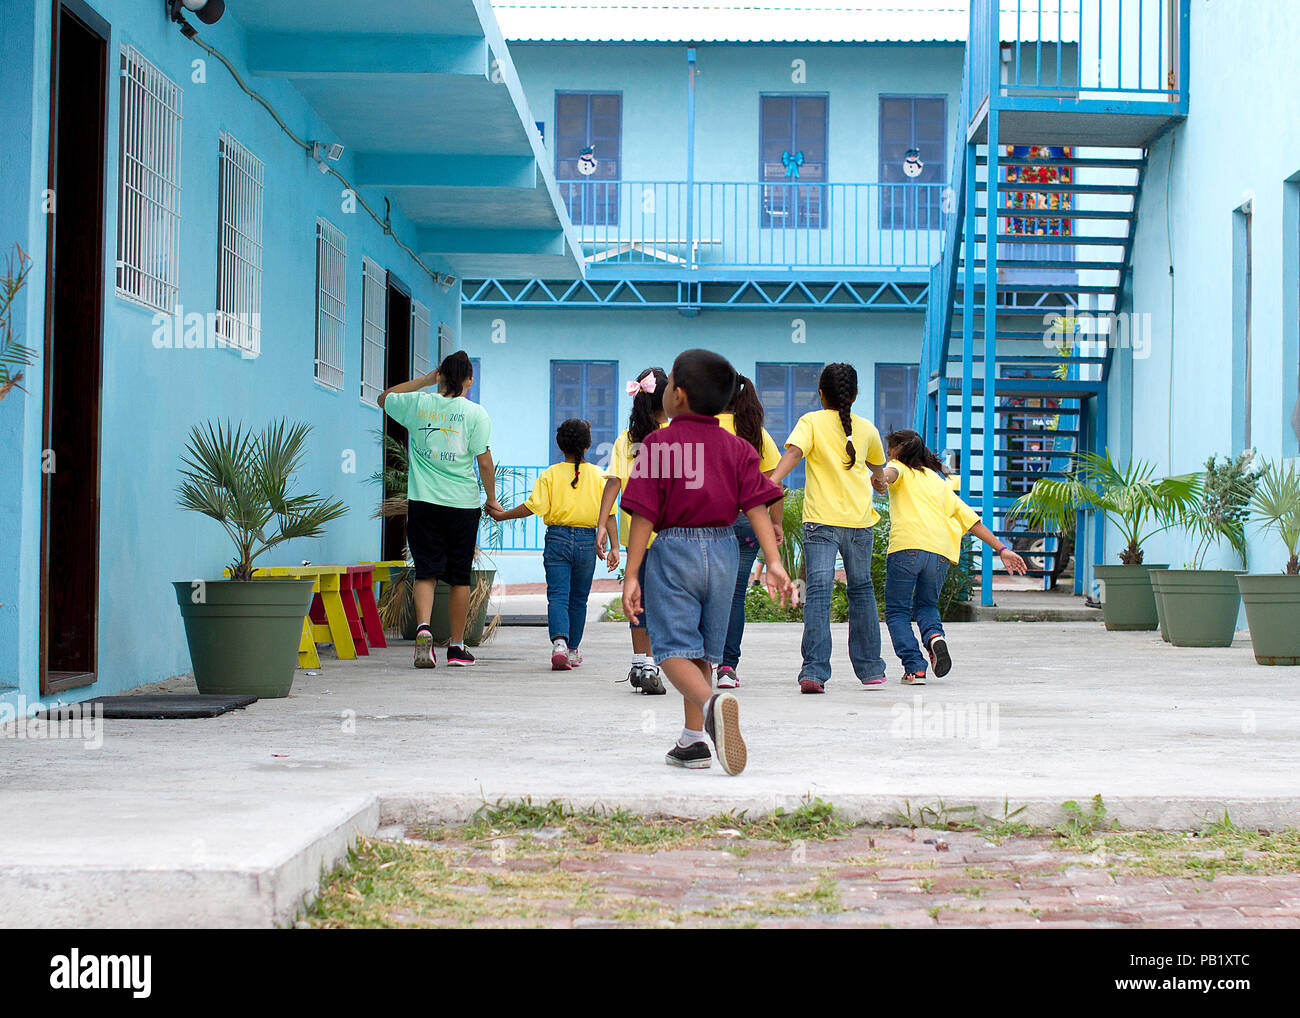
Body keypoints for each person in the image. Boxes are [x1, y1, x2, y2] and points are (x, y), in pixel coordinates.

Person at [622, 349, 793, 775]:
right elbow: (757, 504)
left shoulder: (657, 444)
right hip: (723, 549)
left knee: (670, 648)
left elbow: (643, 513)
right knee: (700, 648)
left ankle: (712, 703)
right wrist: (773, 561)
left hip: (675, 549)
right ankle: (693, 740)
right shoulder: (735, 447)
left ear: (677, 395)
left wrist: (631, 574)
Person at [874, 429, 1028, 684]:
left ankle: (915, 667)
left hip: (908, 546)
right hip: (941, 553)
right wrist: (1002, 549)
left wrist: (879, 478)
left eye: (889, 448)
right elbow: (970, 520)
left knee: (897, 611)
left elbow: (888, 476)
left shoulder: (897, 466)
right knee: (926, 605)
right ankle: (935, 637)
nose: (887, 453)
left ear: (898, 450)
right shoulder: (938, 481)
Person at [769, 363, 888, 693]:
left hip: (821, 521)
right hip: (860, 524)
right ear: (856, 395)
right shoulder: (866, 429)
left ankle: (814, 671)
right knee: (861, 591)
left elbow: (793, 453)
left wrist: (772, 481)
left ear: (821, 394)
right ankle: (870, 669)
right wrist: (880, 483)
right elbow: (880, 471)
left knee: (818, 591)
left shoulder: (811, 422)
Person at [379, 350, 500, 669]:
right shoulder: (476, 414)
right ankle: (457, 647)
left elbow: (384, 398)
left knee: (426, 571)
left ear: (440, 376)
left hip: (424, 503)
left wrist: (425, 381)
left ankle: (423, 629)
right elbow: (484, 463)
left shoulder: (419, 405)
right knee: (460, 577)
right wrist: (492, 499)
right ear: (469, 381)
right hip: (462, 505)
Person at [488, 420, 618, 670]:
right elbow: (610, 514)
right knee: (579, 599)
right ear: (588, 445)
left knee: (558, 594)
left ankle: (559, 643)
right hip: (587, 542)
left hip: (557, 539)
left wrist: (502, 515)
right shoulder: (600, 477)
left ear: (560, 446)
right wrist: (614, 546)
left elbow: (532, 507)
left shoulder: (550, 474)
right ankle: (572, 650)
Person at [595, 367, 670, 694]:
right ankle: (652, 664)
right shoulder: (675, 435)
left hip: (635, 533)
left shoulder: (626, 440)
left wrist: (601, 524)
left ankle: (640, 661)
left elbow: (613, 483)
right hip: (669, 532)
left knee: (636, 596)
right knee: (662, 602)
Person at [715, 375, 784, 689]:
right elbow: (774, 486)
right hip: (746, 523)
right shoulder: (757, 435)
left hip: (707, 522)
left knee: (703, 593)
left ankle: (698, 661)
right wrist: (775, 523)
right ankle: (727, 666)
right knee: (734, 596)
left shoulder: (704, 428)